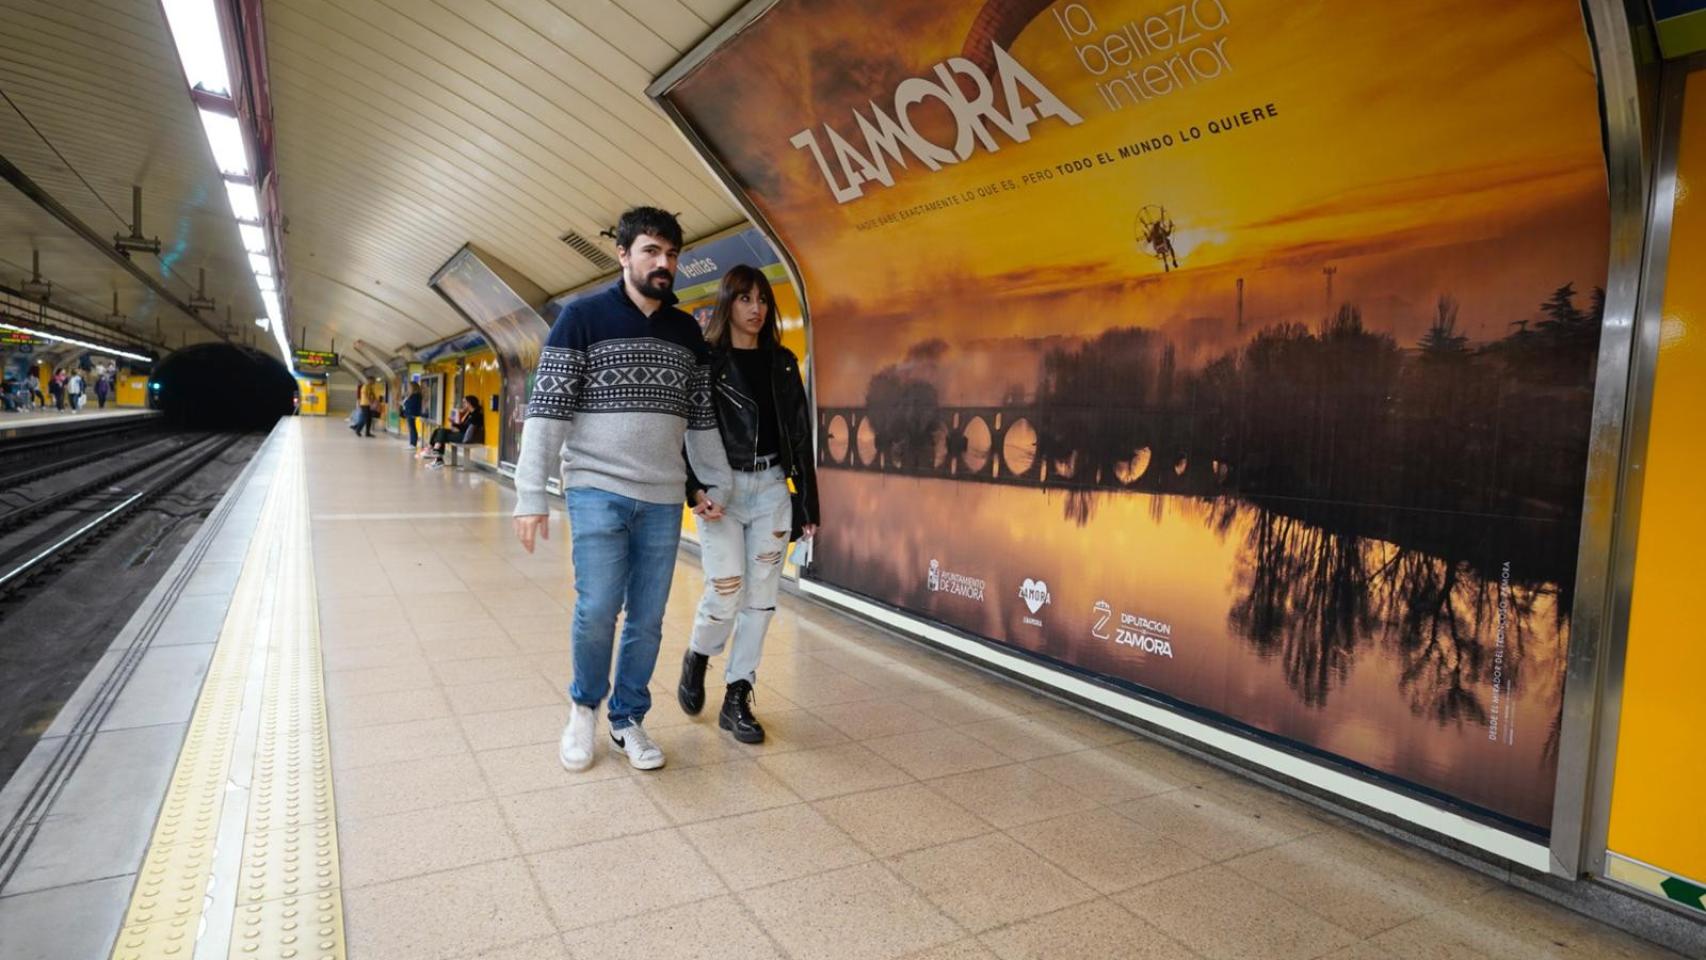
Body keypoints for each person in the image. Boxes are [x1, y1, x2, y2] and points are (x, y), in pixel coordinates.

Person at [512, 206, 733, 773]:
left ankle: (627, 718)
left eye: (672, 254)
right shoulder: (581, 319)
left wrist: (713, 481)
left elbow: (700, 417)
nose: (664, 263)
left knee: (648, 618)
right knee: (598, 607)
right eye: (651, 251)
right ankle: (584, 708)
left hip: (662, 497)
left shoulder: (687, 332)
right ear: (624, 255)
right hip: (596, 486)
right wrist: (530, 493)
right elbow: (548, 412)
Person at [676, 265, 819, 743]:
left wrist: (808, 503)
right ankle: (699, 652)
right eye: (745, 299)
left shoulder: (782, 363)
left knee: (760, 600)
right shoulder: (707, 365)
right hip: (724, 491)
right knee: (726, 590)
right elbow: (685, 430)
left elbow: (800, 434)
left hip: (773, 489)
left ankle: (738, 693)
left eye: (762, 299)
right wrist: (694, 487)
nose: (756, 308)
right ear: (727, 304)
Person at [427, 395, 481, 467]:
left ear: (469, 403)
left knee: (442, 434)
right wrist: (454, 423)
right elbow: (464, 427)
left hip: (464, 437)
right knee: (438, 430)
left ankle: (436, 454)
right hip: (462, 433)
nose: (463, 405)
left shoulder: (476, 415)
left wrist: (455, 424)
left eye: (464, 402)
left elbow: (465, 428)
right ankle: (433, 448)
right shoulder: (469, 414)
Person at [401, 382, 424, 448]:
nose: (408, 388)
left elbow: (412, 404)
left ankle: (413, 444)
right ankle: (412, 443)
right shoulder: (412, 394)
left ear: (413, 387)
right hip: (409, 413)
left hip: (412, 413)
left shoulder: (416, 395)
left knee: (412, 428)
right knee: (411, 428)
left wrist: (405, 403)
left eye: (409, 387)